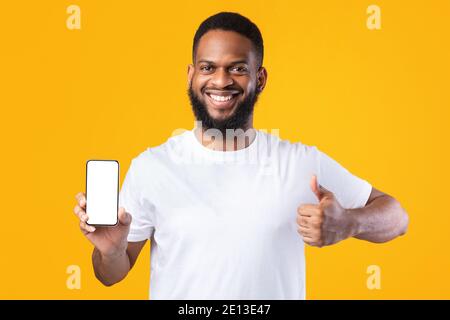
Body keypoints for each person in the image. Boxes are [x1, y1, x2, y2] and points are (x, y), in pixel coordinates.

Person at [73, 12, 409, 299]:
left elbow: (397, 218)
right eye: (208, 67)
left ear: (259, 78)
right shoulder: (151, 168)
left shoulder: (301, 164)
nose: (221, 80)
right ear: (191, 76)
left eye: (237, 69)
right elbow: (111, 274)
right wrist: (113, 250)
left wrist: (350, 223)